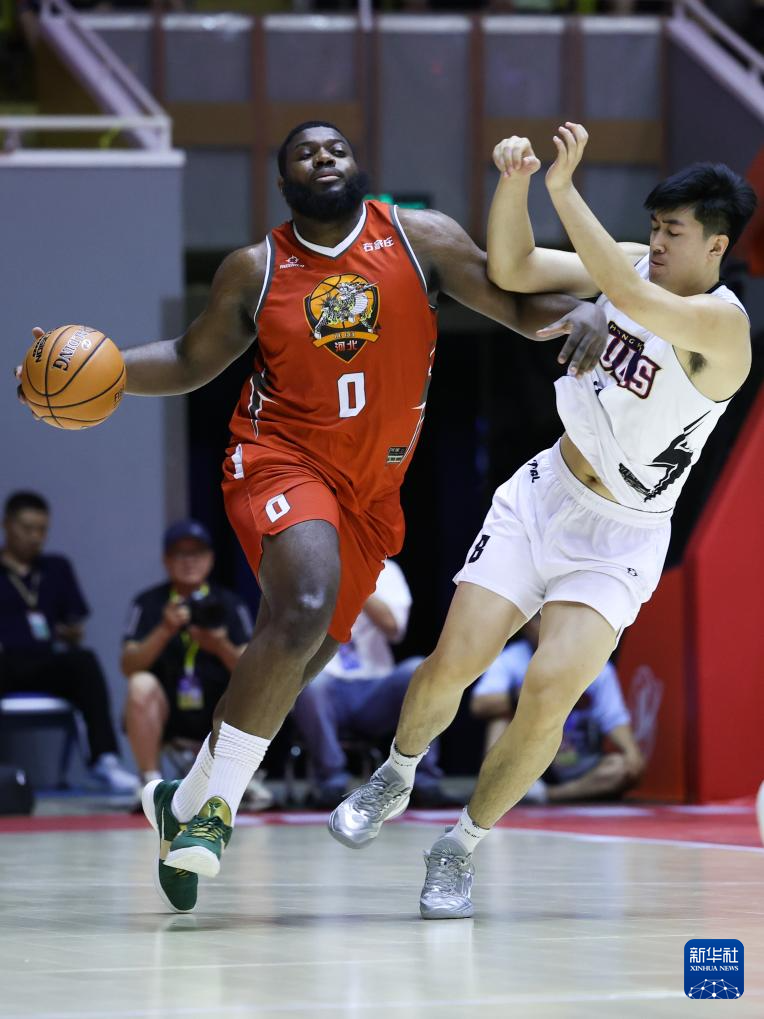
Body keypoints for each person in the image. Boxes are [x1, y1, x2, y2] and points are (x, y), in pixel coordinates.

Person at [20, 120, 608, 913]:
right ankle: (216, 812)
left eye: (336, 149)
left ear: (356, 166)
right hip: (279, 457)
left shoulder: (420, 237)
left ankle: (182, 800)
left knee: (298, 659)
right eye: (305, 152)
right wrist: (96, 374)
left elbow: (511, 302)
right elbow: (192, 359)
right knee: (299, 607)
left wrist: (581, 313)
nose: (323, 157)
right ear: (284, 182)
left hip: (371, 493)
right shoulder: (255, 269)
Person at [329, 127, 756, 919]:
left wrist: (565, 189)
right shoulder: (632, 263)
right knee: (453, 662)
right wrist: (519, 182)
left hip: (622, 535)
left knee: (551, 690)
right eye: (654, 227)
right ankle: (396, 770)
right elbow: (513, 267)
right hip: (545, 493)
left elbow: (636, 305)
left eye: (674, 231)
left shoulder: (723, 328)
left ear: (716, 245)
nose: (658, 243)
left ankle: (459, 845)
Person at [121, 519, 270, 806]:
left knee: (254, 689)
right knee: (140, 684)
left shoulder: (230, 603)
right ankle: (150, 784)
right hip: (169, 709)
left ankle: (240, 779)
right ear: (166, 560)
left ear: (211, 558)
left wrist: (220, 646)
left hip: (220, 710)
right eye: (180, 553)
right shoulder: (148, 603)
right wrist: (164, 630)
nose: (189, 561)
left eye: (197, 553)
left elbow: (254, 673)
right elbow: (128, 666)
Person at [0, 490, 137, 793]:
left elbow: (74, 622)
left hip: (44, 661)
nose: (35, 537)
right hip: (5, 662)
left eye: (42, 529)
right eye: (27, 528)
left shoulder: (56, 567)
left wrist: (71, 633)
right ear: (7, 524)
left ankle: (105, 761)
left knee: (83, 661)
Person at [292, 558, 445, 809]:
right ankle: (331, 783)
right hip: (327, 685)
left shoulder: (387, 570)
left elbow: (394, 628)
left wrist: (355, 582)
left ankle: (424, 782)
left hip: (376, 690)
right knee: (311, 683)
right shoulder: (308, 563)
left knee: (417, 670)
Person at [471, 614, 644, 803]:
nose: (546, 624)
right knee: (499, 717)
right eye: (537, 619)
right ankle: (504, 785)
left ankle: (547, 795)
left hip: (577, 760)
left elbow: (613, 718)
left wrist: (631, 752)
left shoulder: (593, 662)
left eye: (551, 616)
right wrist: (525, 697)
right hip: (526, 760)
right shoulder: (511, 659)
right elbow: (479, 705)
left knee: (621, 767)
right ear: (524, 626)